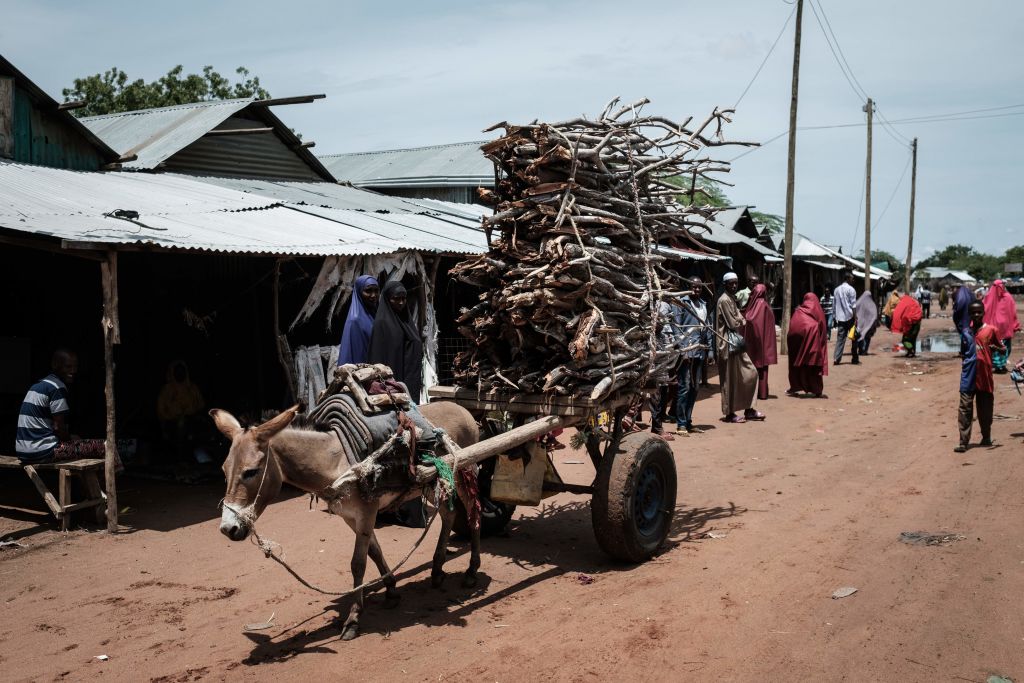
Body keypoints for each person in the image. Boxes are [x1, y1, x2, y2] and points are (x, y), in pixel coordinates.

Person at [16, 350, 126, 465]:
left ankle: (92, 481)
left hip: (23, 452)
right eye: (68, 367)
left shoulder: (39, 385)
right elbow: (58, 427)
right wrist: (70, 439)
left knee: (81, 444)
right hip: (43, 451)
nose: (73, 371)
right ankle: (112, 480)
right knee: (107, 446)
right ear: (55, 365)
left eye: (75, 366)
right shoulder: (56, 388)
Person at [954, 301, 1004, 452]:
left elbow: (1003, 349)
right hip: (968, 376)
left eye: (979, 312)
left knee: (985, 408)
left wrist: (996, 348)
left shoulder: (991, 330)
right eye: (973, 312)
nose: (976, 315)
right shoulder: (965, 332)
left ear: (983, 313)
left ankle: (986, 437)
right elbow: (963, 352)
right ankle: (963, 442)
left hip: (985, 376)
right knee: (965, 409)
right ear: (969, 314)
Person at [715, 272, 763, 423]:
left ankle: (749, 408)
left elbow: (740, 318)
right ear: (725, 284)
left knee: (751, 373)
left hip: (735, 344)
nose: (734, 285)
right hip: (726, 345)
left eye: (736, 283)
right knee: (729, 381)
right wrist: (741, 320)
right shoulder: (724, 300)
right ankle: (730, 414)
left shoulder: (731, 299)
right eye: (731, 283)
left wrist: (741, 319)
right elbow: (734, 323)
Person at [368, 281, 424, 402]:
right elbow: (377, 359)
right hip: (394, 383)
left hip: (409, 380)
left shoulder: (405, 320)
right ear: (387, 299)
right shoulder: (382, 324)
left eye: (404, 298)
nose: (401, 303)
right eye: (396, 299)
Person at [674, 276, 712, 435]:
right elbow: (676, 327)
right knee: (684, 387)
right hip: (686, 353)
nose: (696, 290)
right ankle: (681, 423)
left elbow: (707, 328)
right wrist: (683, 350)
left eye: (699, 287)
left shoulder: (703, 305)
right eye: (693, 287)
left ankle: (688, 421)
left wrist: (710, 351)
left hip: (699, 352)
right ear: (688, 287)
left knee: (695, 388)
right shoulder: (682, 303)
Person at [157, 360, 206, 462]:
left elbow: (201, 406)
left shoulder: (192, 387)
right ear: (172, 372)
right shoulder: (167, 389)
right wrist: (164, 428)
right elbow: (160, 411)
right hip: (171, 423)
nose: (180, 374)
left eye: (182, 371)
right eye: (177, 371)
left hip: (191, 421)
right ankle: (179, 459)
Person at [648, 298, 680, 440]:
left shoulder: (662, 335)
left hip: (663, 374)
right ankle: (657, 427)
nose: (661, 323)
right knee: (655, 398)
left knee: (662, 396)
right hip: (652, 375)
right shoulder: (648, 337)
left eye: (663, 320)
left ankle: (658, 424)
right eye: (658, 320)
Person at [786, 293, 829, 397]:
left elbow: (793, 328)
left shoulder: (798, 311)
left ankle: (796, 386)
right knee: (813, 365)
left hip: (798, 343)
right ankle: (817, 389)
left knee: (798, 364)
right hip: (814, 343)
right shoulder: (818, 311)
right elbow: (823, 328)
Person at [743, 283, 777, 401]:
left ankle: (750, 393)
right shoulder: (767, 307)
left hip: (753, 344)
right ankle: (762, 393)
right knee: (763, 370)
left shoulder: (754, 307)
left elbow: (749, 320)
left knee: (750, 368)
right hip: (765, 345)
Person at [337, 275, 380, 366]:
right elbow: (356, 356)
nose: (373, 295)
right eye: (368, 291)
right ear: (359, 292)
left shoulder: (375, 315)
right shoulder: (355, 321)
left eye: (376, 291)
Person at [981, 279, 1021, 373]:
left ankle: (996, 365)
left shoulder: (988, 297)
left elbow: (983, 311)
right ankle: (1001, 365)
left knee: (994, 347)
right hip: (1005, 328)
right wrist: (1015, 325)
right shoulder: (1008, 297)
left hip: (993, 329)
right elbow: (1013, 313)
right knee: (1004, 347)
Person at [832, 271, 859, 365]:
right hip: (850, 317)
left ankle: (836, 358)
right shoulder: (851, 290)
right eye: (852, 278)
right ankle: (855, 358)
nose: (853, 280)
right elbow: (853, 305)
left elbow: (834, 305)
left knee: (840, 339)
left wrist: (834, 317)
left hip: (840, 318)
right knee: (854, 338)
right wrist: (855, 318)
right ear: (847, 279)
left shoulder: (836, 290)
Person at [891, 292, 924, 357]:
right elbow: (917, 313)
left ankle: (911, 350)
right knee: (912, 340)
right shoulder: (913, 302)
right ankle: (911, 353)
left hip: (912, 324)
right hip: (916, 323)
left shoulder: (906, 303)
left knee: (905, 340)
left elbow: (906, 316)